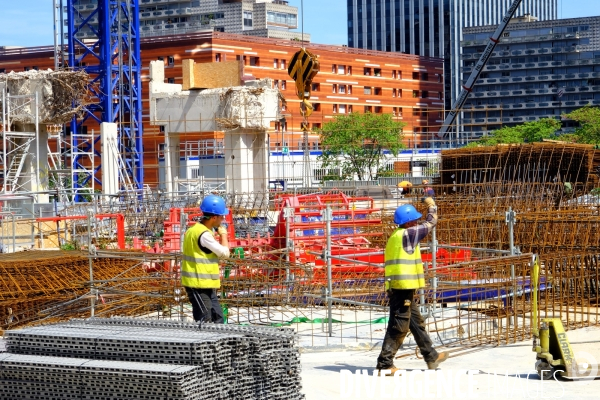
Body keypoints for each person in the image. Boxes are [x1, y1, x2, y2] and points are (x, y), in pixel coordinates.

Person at [376, 197, 448, 376]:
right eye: (414, 219)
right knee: (399, 324)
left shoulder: (396, 236)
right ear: (408, 222)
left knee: (416, 322)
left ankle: (431, 356)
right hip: (402, 287)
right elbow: (431, 223)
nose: (416, 221)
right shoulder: (408, 235)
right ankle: (384, 364)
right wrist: (432, 206)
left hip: (400, 286)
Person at [181, 194, 230, 324]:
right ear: (214, 217)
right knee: (205, 320)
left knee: (218, 318)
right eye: (221, 216)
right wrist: (224, 235)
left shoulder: (196, 230)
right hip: (197, 284)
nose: (223, 219)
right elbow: (225, 253)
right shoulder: (203, 235)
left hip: (206, 284)